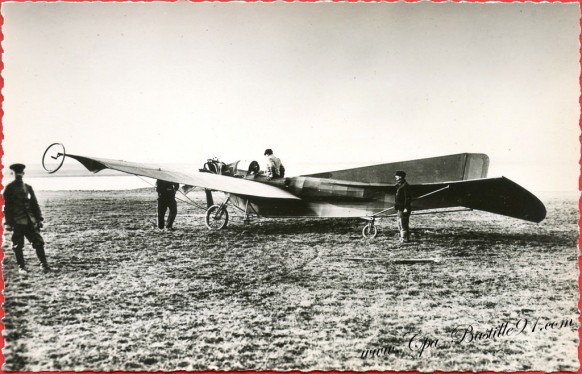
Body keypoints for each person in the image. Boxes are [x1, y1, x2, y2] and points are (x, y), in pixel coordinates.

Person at [3, 163, 50, 273]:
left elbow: (34, 204)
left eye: (20, 173)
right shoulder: (9, 189)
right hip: (17, 221)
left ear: (23, 173)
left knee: (38, 242)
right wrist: (8, 222)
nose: (18, 175)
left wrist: (38, 219)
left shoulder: (28, 188)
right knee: (18, 245)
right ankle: (21, 267)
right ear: (12, 174)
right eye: (16, 173)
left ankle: (44, 264)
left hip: (30, 221)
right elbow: (7, 207)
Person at [394, 170, 412, 243]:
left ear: (400, 177)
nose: (395, 177)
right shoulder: (400, 185)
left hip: (403, 208)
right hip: (400, 208)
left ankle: (404, 239)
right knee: (399, 223)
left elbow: (407, 198)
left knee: (403, 223)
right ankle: (403, 237)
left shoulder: (405, 186)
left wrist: (406, 208)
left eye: (397, 176)